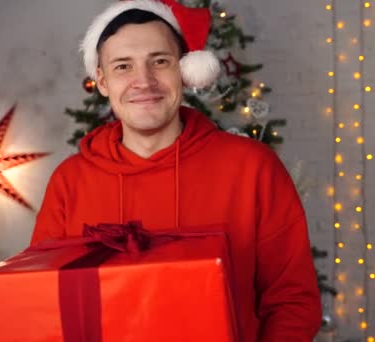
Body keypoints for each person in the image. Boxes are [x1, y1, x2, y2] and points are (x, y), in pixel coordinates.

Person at [31, 0, 322, 340]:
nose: (144, 81)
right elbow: (44, 298)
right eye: (123, 66)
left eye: (160, 61)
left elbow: (293, 300)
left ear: (183, 70)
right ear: (103, 81)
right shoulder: (70, 181)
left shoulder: (252, 167)